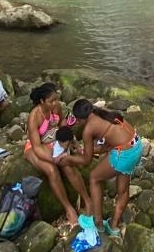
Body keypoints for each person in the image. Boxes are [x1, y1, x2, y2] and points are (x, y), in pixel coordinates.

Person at [60, 98, 143, 238]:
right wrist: (85, 150)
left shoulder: (88, 129)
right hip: (136, 146)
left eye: (78, 121)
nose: (78, 123)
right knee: (122, 191)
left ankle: (97, 221)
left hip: (123, 154)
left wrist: (68, 159)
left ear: (80, 119)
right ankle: (113, 226)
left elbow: (86, 161)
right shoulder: (106, 114)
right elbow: (108, 145)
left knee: (94, 177)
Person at [24, 83, 89, 226]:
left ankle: (86, 199)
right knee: (52, 170)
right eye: (51, 101)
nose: (55, 103)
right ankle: (68, 208)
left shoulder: (57, 107)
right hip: (36, 147)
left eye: (55, 99)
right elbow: (36, 146)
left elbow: (62, 126)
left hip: (53, 142)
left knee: (67, 165)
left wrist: (71, 142)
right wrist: (53, 159)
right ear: (42, 101)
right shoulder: (34, 116)